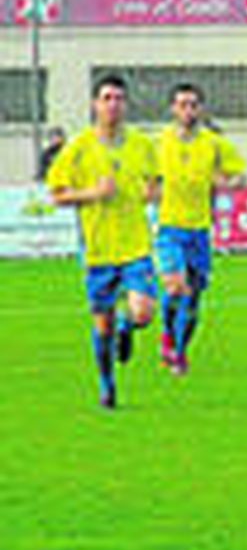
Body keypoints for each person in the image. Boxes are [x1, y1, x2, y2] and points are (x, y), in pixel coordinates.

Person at [45, 75, 159, 410]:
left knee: (144, 312)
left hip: (136, 246)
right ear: (95, 104)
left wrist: (152, 193)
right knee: (102, 326)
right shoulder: (78, 148)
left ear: (126, 105)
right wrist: (93, 194)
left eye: (119, 98)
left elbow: (155, 185)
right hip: (98, 251)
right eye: (107, 98)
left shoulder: (141, 144)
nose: (113, 104)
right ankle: (107, 384)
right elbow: (57, 195)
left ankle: (129, 326)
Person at [152, 83, 246, 375]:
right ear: (172, 109)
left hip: (201, 230)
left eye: (193, 104)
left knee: (193, 300)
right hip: (169, 227)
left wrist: (227, 182)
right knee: (175, 286)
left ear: (201, 108)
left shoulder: (214, 143)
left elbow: (240, 176)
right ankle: (168, 336)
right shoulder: (158, 143)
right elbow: (145, 177)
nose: (188, 110)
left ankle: (180, 350)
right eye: (182, 104)